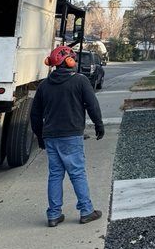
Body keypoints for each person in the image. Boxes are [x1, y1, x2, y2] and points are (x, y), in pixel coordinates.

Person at [30, 45, 105, 227]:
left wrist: (40, 136)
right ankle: (86, 211)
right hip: (71, 135)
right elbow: (92, 105)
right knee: (77, 173)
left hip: (51, 137)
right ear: (69, 61)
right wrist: (99, 124)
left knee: (55, 175)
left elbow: (35, 114)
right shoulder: (80, 81)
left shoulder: (44, 86)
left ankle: (54, 215)